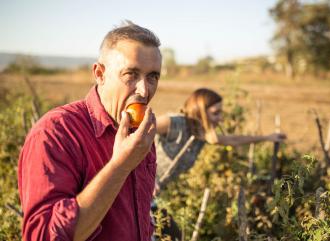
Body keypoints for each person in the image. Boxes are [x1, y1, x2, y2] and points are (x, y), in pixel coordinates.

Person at [18, 21, 162, 241]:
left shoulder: (140, 134)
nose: (144, 90)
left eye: (153, 76)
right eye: (131, 74)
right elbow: (45, 236)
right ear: (100, 73)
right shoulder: (56, 133)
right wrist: (120, 166)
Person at [155, 88, 286, 189]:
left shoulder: (200, 134)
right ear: (199, 110)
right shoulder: (173, 122)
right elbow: (137, 132)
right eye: (215, 113)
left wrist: (267, 137)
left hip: (153, 191)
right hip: (139, 181)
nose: (221, 118)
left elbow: (233, 140)